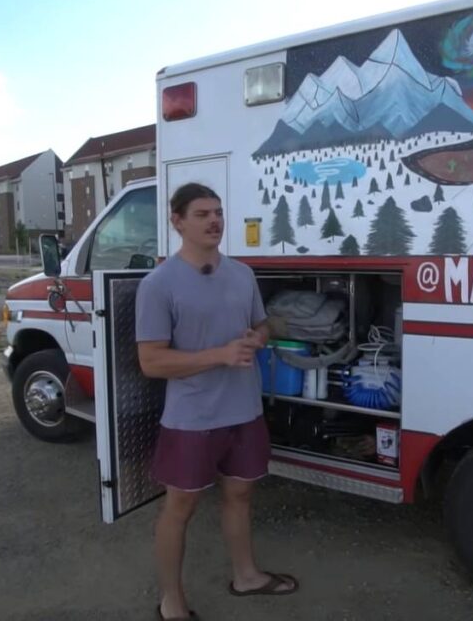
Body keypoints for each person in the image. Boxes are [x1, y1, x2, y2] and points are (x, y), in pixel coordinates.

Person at [135, 182, 299, 621]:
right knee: (181, 507)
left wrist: (258, 336)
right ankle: (172, 602)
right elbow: (151, 361)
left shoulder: (241, 274)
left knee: (241, 494)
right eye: (203, 214)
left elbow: (263, 324)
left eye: (218, 212)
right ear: (177, 221)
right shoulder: (159, 284)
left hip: (243, 411)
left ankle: (246, 577)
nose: (214, 221)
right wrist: (219, 355)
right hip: (192, 417)